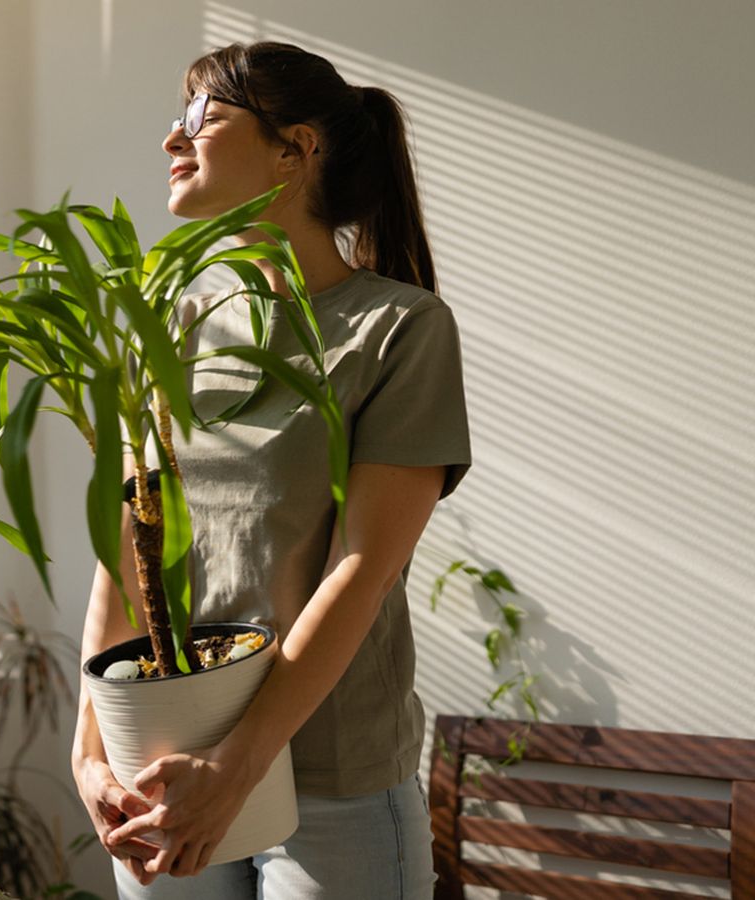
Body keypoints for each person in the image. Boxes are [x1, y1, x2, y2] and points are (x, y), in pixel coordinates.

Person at [70, 41, 473, 899]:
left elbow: (362, 570)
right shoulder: (173, 318)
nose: (172, 140)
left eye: (204, 118)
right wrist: (91, 748)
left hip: (332, 775)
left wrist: (240, 766)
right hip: (165, 761)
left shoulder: (398, 329)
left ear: (295, 149)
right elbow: (126, 549)